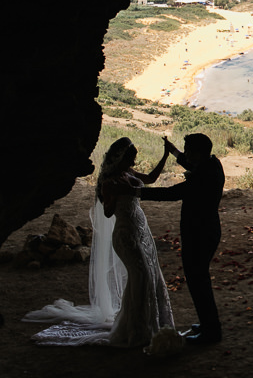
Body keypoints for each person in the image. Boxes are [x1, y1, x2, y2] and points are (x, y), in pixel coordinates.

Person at [24, 137, 180, 353]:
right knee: (140, 276)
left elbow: (152, 178)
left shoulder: (128, 174)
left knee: (150, 276)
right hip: (126, 235)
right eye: (131, 159)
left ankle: (152, 324)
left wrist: (165, 154)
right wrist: (116, 196)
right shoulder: (110, 182)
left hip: (141, 230)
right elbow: (107, 212)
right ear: (120, 158)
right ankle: (136, 328)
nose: (134, 163)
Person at [139, 133, 224, 345]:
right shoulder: (211, 164)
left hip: (200, 234)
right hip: (206, 231)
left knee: (198, 283)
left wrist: (136, 192)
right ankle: (207, 325)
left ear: (198, 153)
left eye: (188, 150)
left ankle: (211, 332)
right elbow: (189, 163)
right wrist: (173, 150)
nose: (185, 154)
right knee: (199, 281)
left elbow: (173, 193)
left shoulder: (204, 175)